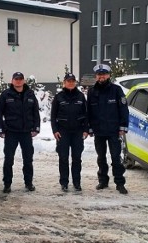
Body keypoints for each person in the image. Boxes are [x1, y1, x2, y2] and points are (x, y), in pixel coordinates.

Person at [87, 63, 130, 194]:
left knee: (116, 158)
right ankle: (103, 181)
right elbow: (88, 111)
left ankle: (119, 183)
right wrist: (89, 127)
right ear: (96, 76)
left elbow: (124, 110)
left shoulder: (116, 90)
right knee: (101, 157)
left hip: (114, 130)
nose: (102, 77)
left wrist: (123, 127)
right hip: (99, 131)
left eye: (104, 74)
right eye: (99, 75)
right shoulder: (92, 91)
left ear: (109, 75)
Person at [0, 72, 41, 193]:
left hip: (26, 132)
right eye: (16, 79)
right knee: (9, 159)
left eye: (20, 79)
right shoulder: (6, 95)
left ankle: (29, 183)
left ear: (24, 81)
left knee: (28, 159)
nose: (18, 81)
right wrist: (0, 129)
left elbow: (35, 112)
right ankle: (7, 184)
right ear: (12, 81)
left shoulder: (30, 94)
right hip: (11, 132)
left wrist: (36, 127)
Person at [51, 73, 88, 192]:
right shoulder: (59, 97)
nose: (71, 83)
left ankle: (77, 183)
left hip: (77, 131)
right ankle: (64, 182)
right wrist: (55, 130)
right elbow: (53, 116)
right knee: (63, 158)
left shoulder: (81, 96)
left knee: (77, 158)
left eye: (73, 81)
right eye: (68, 81)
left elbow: (87, 114)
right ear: (64, 82)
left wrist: (86, 129)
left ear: (75, 82)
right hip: (63, 132)